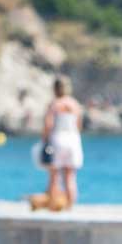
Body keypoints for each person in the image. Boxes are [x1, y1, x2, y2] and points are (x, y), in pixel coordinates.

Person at [34, 77, 84, 210]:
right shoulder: (75, 104)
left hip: (57, 139)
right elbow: (79, 125)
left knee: (54, 175)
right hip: (73, 139)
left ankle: (53, 205)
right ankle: (70, 205)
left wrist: (44, 140)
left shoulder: (54, 104)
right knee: (70, 176)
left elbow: (48, 124)